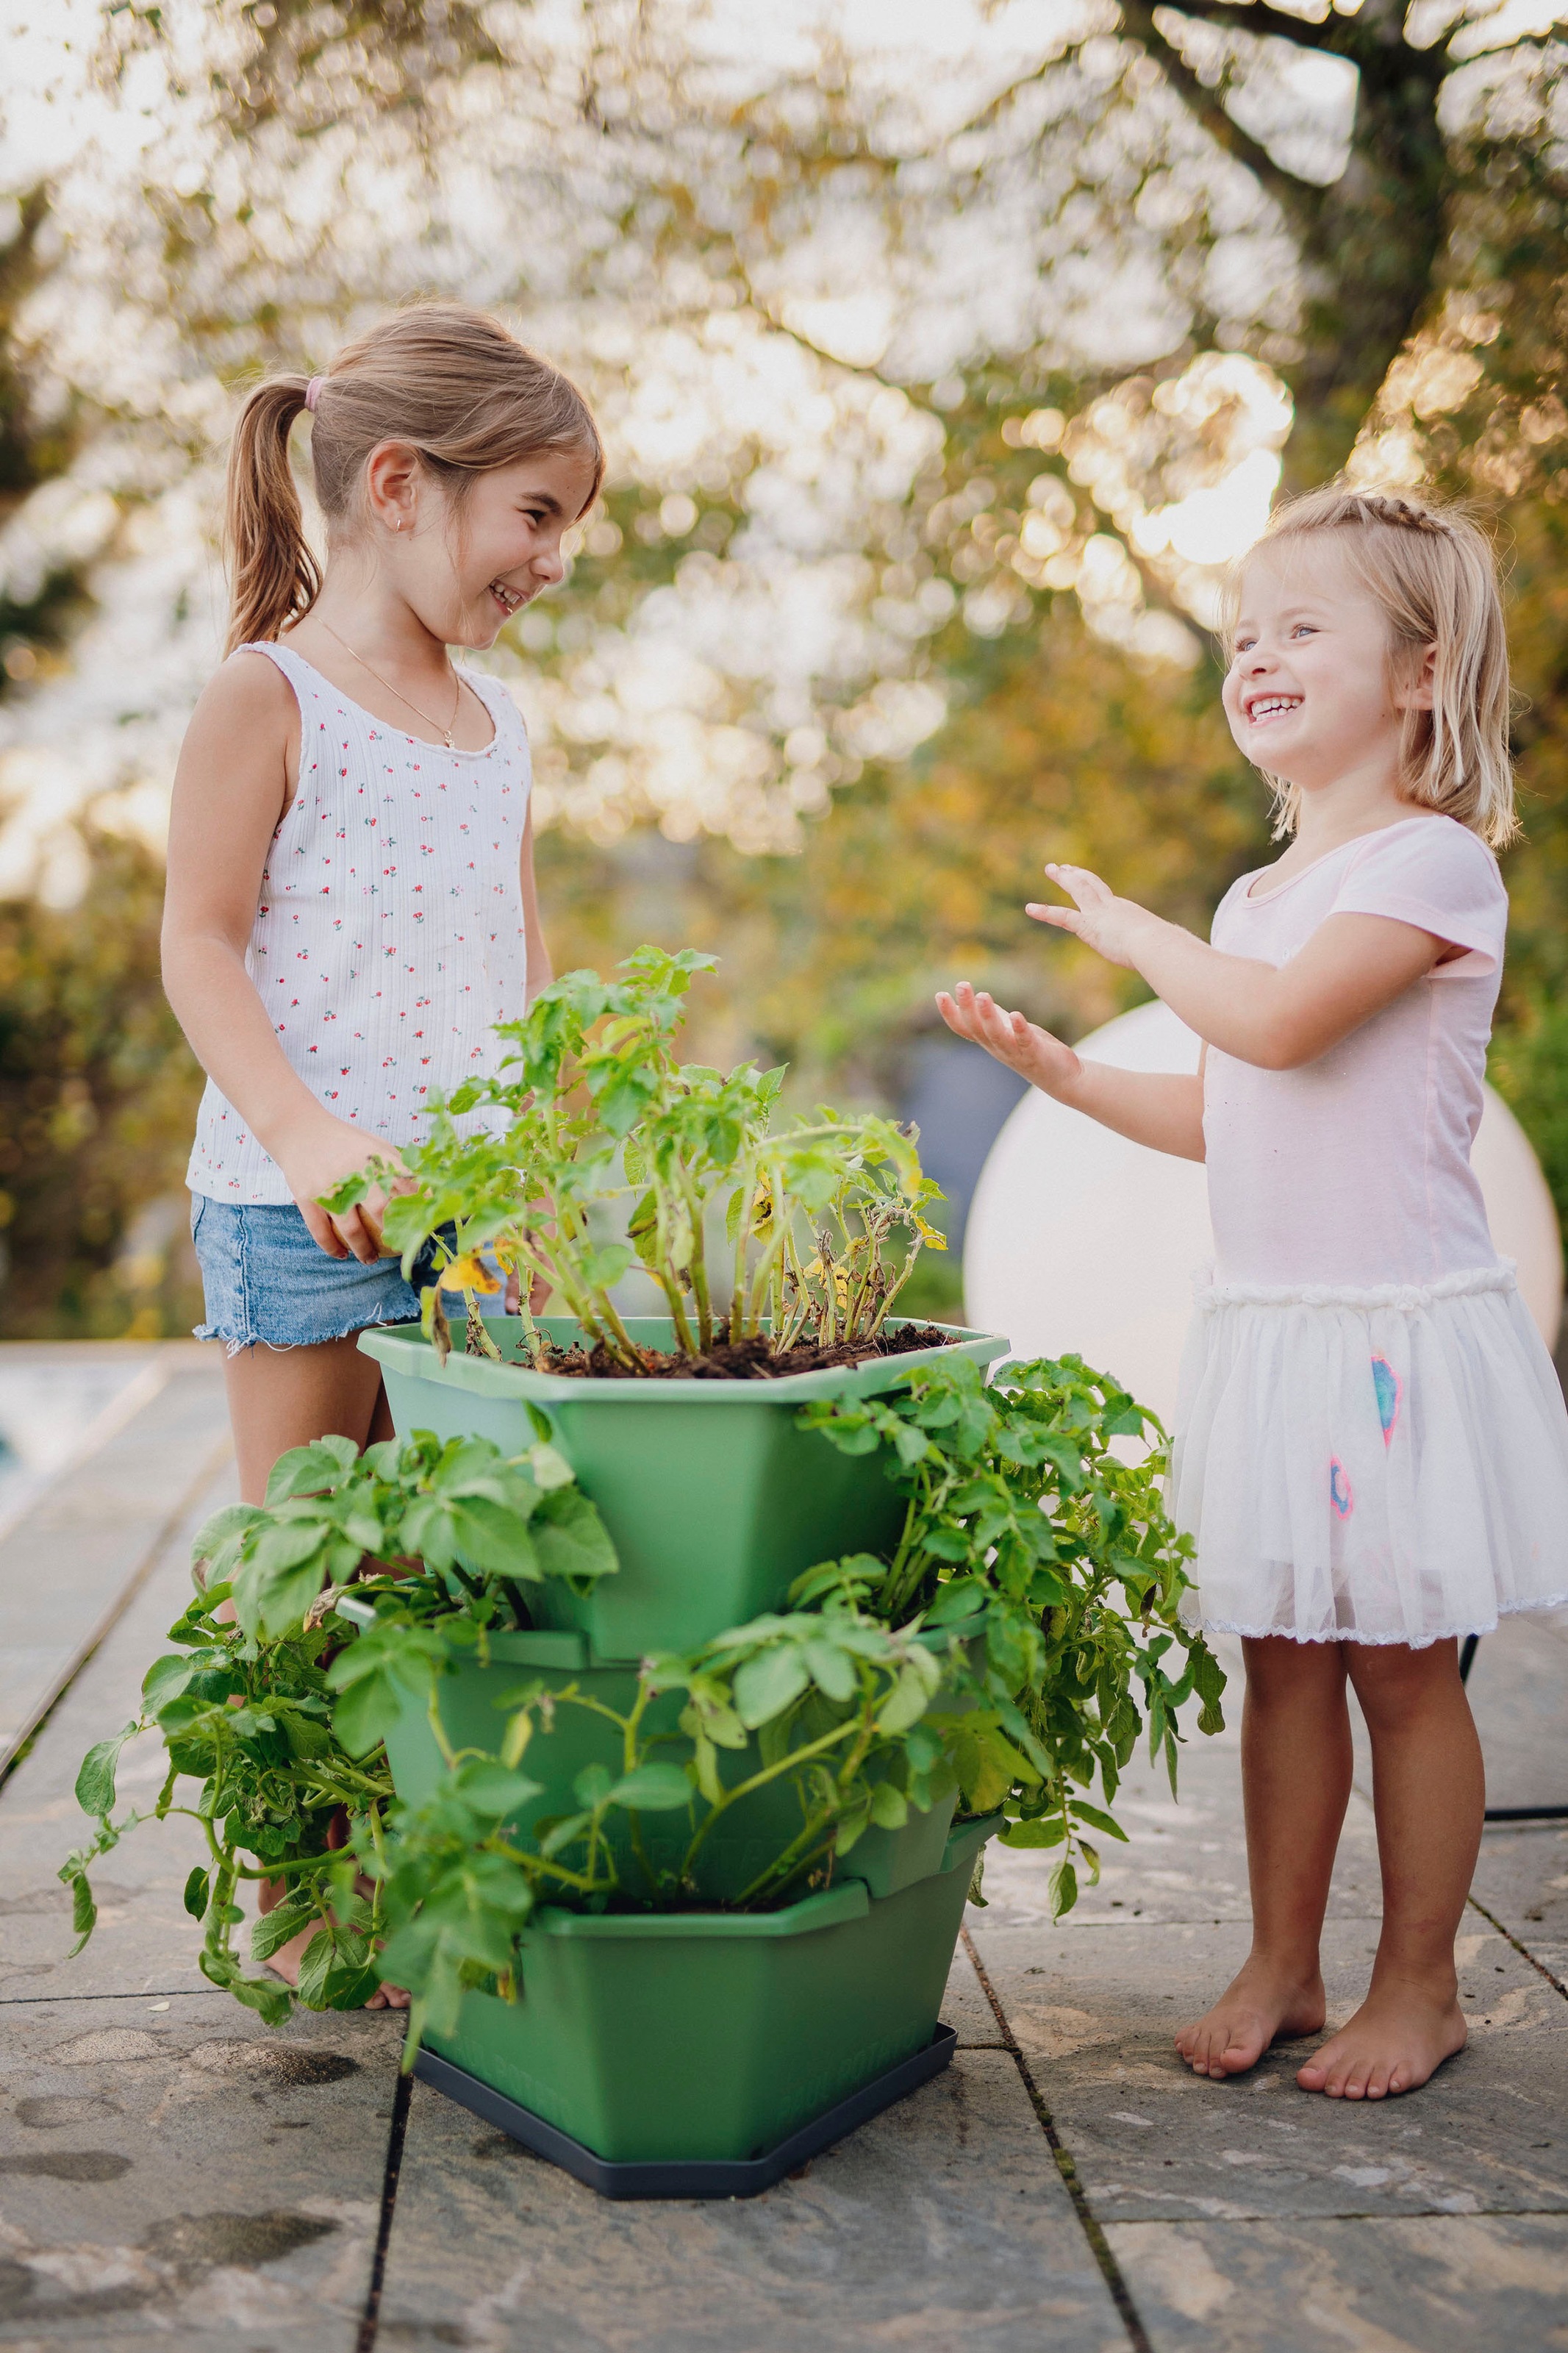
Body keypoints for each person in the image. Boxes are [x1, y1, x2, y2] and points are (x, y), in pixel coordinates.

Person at [937, 485, 1568, 2101]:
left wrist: (1136, 934)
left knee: (1400, 1671)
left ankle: (1414, 1984)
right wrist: (1067, 1074)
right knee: (1279, 1656)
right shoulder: (1254, 900)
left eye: (1300, 628)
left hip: (1387, 1348)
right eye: (1240, 636)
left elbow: (1281, 1029)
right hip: (1275, 1336)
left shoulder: (1429, 867)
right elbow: (1229, 1111)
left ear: (1417, 673)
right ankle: (1280, 1961)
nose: (1255, 657)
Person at [162, 302, 603, 1993]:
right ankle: (298, 1892)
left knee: (437, 1562)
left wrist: (554, 1164)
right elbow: (199, 939)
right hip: (299, 1206)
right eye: (538, 514)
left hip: (476, 1218)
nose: (555, 558)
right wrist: (307, 1132)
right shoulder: (264, 693)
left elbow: (524, 964)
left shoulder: (497, 729)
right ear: (404, 484)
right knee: (310, 1554)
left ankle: (417, 1867)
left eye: (569, 523)